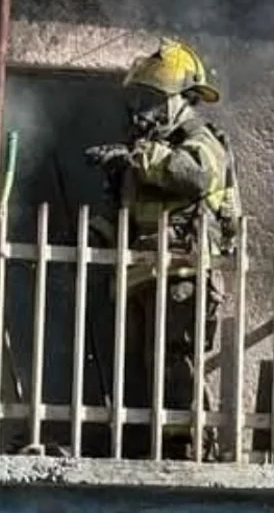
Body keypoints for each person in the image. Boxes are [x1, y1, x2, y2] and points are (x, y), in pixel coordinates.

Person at [84, 39, 241, 460]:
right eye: (139, 98)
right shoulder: (141, 151)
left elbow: (195, 177)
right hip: (141, 275)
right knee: (142, 367)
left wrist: (137, 157)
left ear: (180, 101)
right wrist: (95, 236)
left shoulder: (200, 138)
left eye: (153, 99)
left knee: (175, 363)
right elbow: (126, 217)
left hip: (182, 274)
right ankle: (151, 443)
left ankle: (185, 447)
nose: (142, 109)